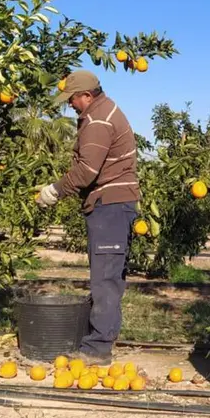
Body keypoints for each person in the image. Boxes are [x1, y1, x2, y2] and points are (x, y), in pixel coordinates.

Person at [35, 70, 139, 361]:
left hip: (111, 205)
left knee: (105, 278)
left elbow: (86, 172)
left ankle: (97, 350)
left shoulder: (97, 120)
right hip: (113, 204)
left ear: (87, 96)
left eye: (72, 99)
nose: (70, 105)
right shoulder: (104, 111)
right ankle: (99, 340)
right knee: (108, 276)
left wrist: (55, 190)